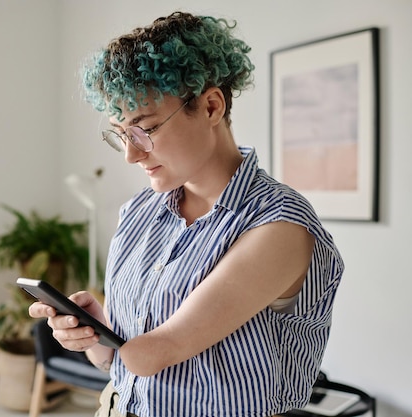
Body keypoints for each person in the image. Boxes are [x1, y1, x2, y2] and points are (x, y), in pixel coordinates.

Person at [29, 11, 344, 417]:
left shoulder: (280, 224)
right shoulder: (139, 213)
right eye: (121, 133)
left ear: (212, 106)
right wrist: (95, 334)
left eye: (146, 129)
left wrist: (116, 345)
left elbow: (157, 353)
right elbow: (122, 367)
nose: (131, 154)